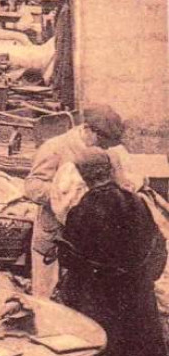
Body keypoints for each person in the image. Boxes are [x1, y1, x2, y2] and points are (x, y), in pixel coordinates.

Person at [58, 151, 168, 356]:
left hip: (100, 296)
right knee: (136, 347)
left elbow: (73, 259)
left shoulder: (82, 209)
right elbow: (158, 245)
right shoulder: (137, 202)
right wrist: (143, 278)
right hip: (136, 294)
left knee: (105, 347)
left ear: (83, 176)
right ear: (108, 171)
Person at [24, 104, 128, 301]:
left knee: (81, 295)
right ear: (87, 129)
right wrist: (66, 196)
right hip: (54, 232)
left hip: (87, 236)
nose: (105, 147)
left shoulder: (107, 152)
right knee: (46, 293)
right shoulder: (55, 147)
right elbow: (32, 186)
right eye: (102, 140)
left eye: (109, 143)